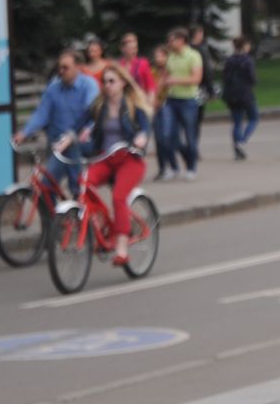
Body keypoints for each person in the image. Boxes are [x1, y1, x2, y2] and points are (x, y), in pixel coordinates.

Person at [75, 66, 153, 267]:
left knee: (119, 196)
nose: (107, 86)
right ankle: (102, 224)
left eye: (112, 81)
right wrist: (77, 135)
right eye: (105, 82)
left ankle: (122, 249)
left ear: (123, 83)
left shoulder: (132, 105)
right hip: (105, 158)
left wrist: (141, 137)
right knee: (83, 183)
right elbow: (79, 124)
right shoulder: (99, 106)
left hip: (129, 159)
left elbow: (144, 126)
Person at [14, 51, 97, 196]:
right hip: (57, 143)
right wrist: (25, 132)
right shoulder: (54, 88)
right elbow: (41, 113)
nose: (61, 71)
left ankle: (80, 204)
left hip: (80, 142)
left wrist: (86, 130)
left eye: (66, 68)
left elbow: (91, 113)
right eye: (60, 67)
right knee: (47, 186)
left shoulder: (89, 85)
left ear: (78, 67)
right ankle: (51, 217)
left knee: (74, 182)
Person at [159, 27, 203, 181]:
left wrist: (174, 80)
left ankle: (191, 167)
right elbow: (165, 76)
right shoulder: (171, 56)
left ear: (181, 40)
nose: (169, 43)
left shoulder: (193, 56)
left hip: (188, 100)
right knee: (167, 135)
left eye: (172, 40)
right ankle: (174, 167)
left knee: (190, 136)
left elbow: (196, 79)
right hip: (171, 100)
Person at [221, 35, 259, 159]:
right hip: (245, 94)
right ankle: (242, 141)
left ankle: (237, 152)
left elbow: (225, 77)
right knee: (254, 117)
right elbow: (252, 78)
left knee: (237, 122)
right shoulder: (247, 60)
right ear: (244, 46)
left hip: (231, 94)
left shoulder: (229, 60)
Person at [149, 45, 176, 179]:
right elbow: (150, 87)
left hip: (167, 104)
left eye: (160, 56)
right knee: (158, 139)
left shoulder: (171, 71)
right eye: (156, 56)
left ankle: (173, 165)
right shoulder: (152, 71)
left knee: (166, 137)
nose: (157, 59)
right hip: (155, 106)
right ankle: (163, 168)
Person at [117, 32, 156, 99]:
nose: (132, 51)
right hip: (122, 99)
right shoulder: (118, 64)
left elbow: (150, 85)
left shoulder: (143, 63)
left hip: (139, 98)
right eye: (129, 48)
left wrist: (150, 101)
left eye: (134, 48)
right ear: (122, 49)